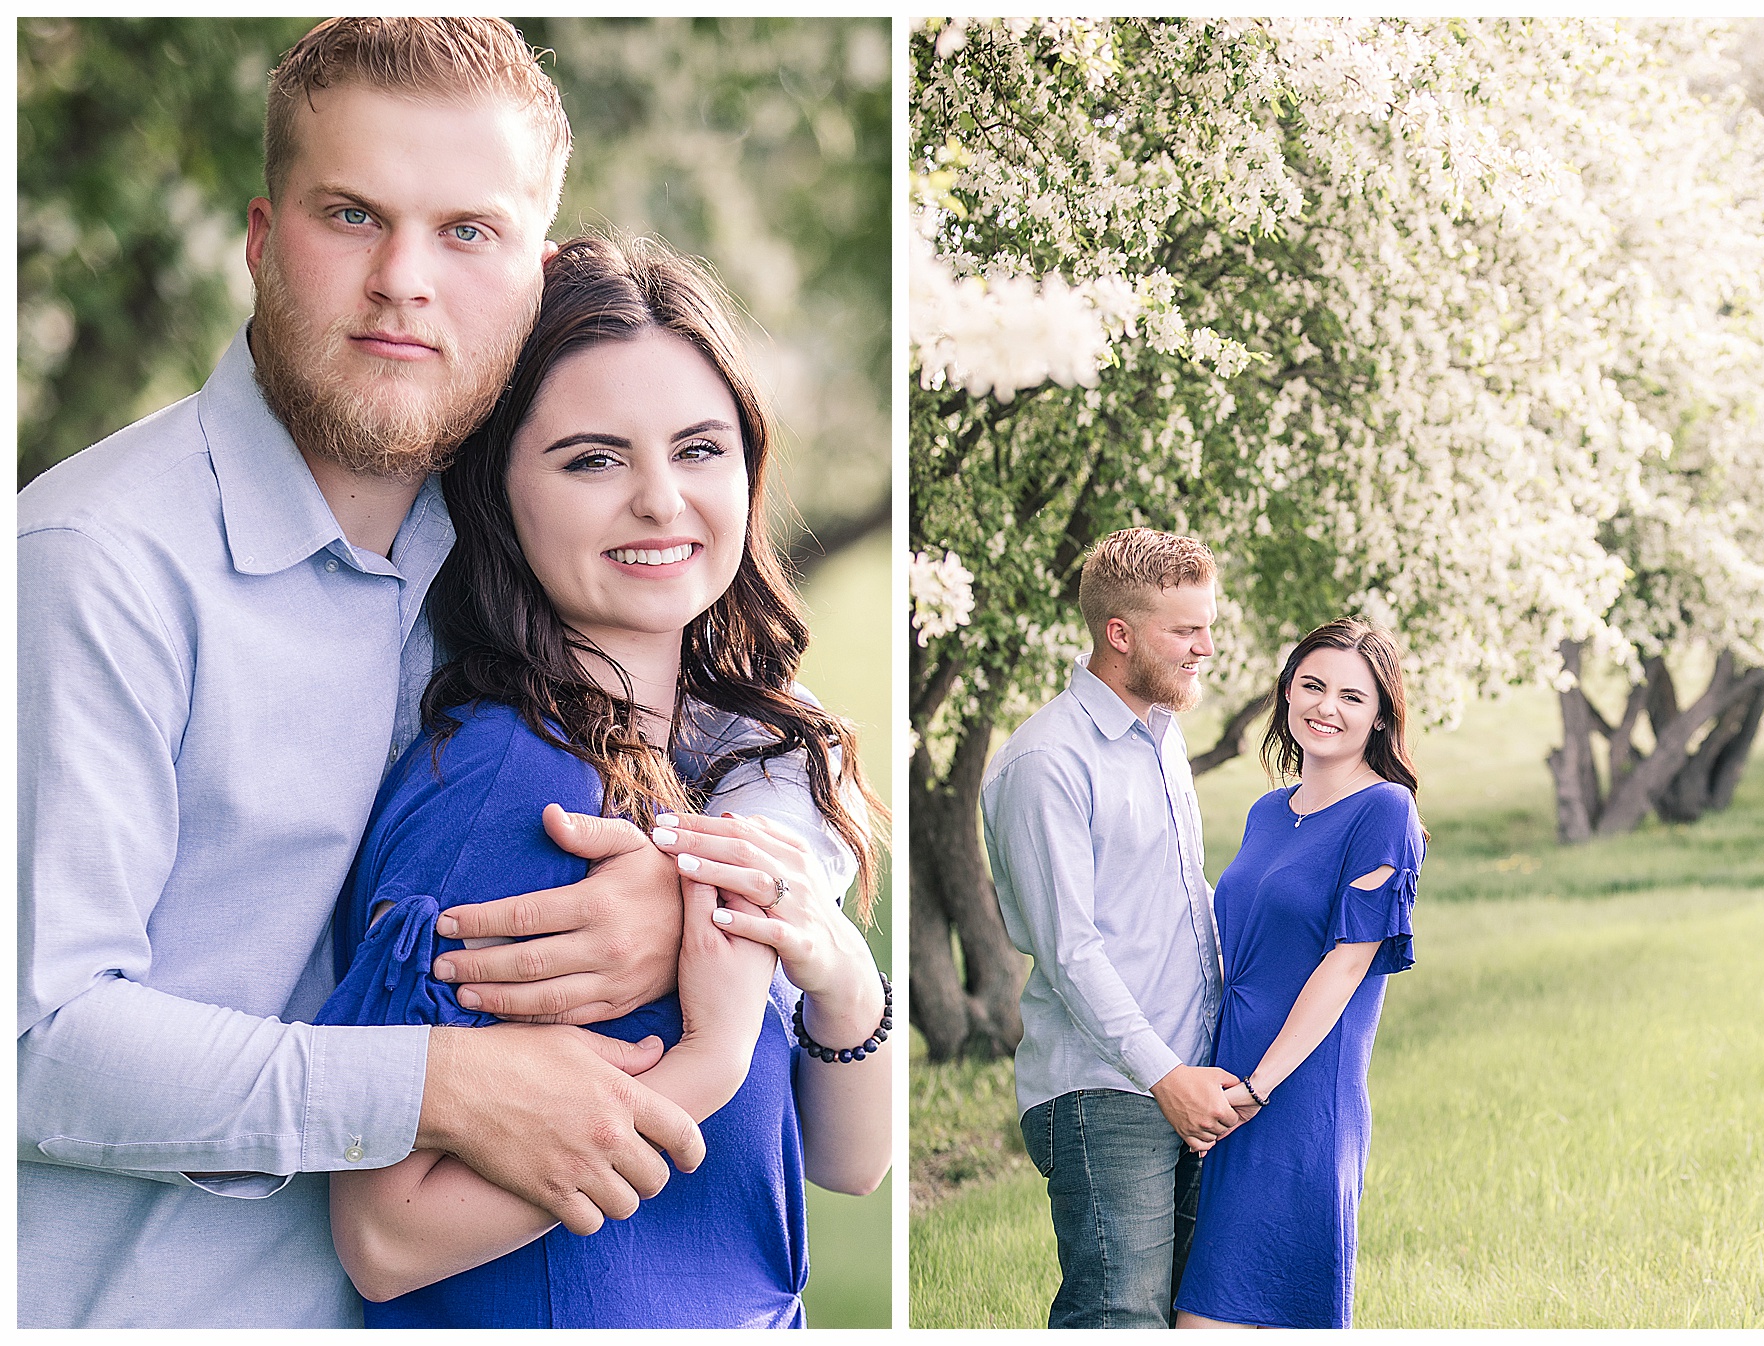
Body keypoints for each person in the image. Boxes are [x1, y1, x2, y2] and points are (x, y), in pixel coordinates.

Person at [16, 19, 853, 1328]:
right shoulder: (93, 568)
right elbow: (34, 1046)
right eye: (352, 214)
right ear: (259, 237)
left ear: (535, 271)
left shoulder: (508, 542)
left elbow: (725, 711)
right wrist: (432, 1086)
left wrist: (707, 880)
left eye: (467, 230)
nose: (405, 278)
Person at [312, 232, 892, 1328]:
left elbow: (852, 1163)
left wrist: (838, 968)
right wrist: (710, 1059)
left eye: (699, 448)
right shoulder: (510, 786)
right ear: (499, 491)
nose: (661, 501)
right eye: (592, 458)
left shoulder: (720, 767)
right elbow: (387, 1236)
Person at [981, 527, 1243, 1329]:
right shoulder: (1047, 763)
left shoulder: (1162, 736)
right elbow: (1071, 953)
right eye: (1184, 630)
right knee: (1118, 1317)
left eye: (1207, 625)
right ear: (1118, 634)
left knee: (1190, 1312)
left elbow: (1184, 905)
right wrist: (1167, 1075)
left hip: (1194, 1078)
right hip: (1109, 1091)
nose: (1205, 647)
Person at [1174, 618, 1426, 1330]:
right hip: (1222, 1092)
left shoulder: (1384, 810)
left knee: (1213, 1320)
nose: (1327, 707)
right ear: (1285, 694)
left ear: (1379, 718)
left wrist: (1260, 1087)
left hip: (1296, 1100)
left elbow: (1347, 966)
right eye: (1312, 686)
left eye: (1353, 696)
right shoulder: (1265, 812)